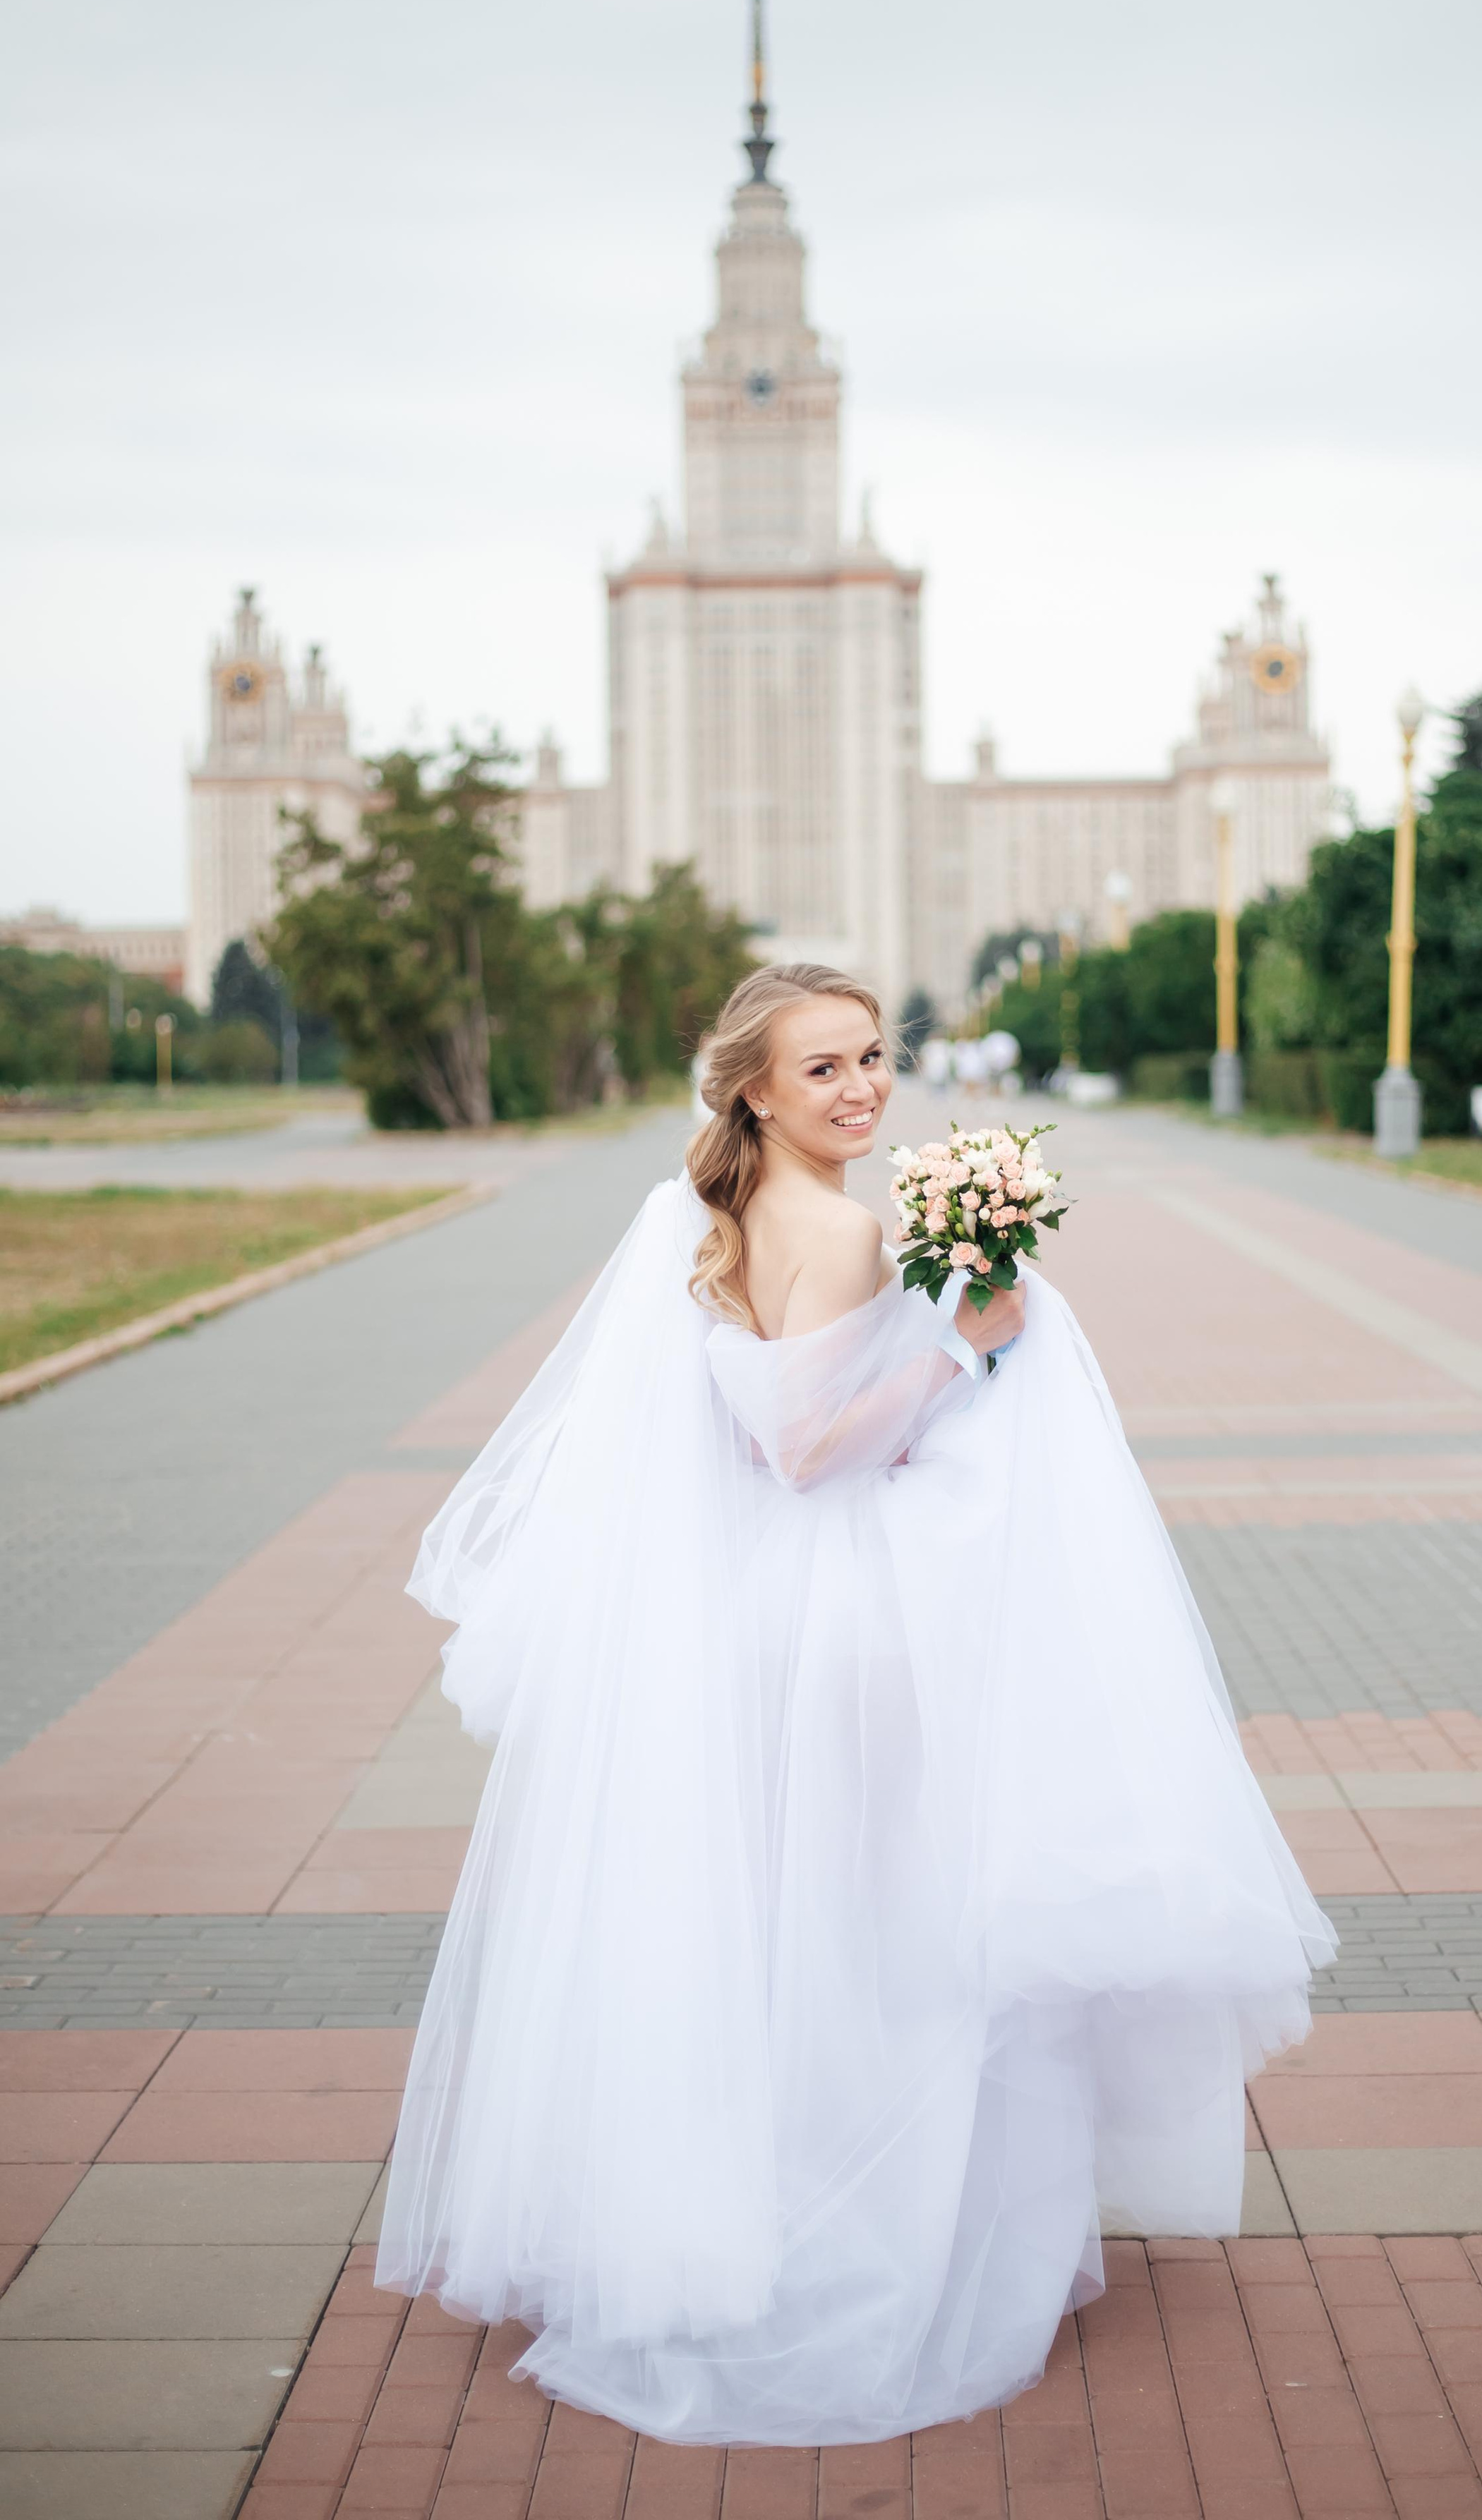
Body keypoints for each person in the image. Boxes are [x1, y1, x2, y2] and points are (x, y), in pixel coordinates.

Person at [376, 962, 1330, 2446]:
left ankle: (736, 2191)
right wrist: (965, 1342)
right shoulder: (833, 1226)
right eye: (822, 1069)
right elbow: (809, 1452)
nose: (862, 1089)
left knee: (774, 1918)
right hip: (836, 1613)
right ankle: (858, 2213)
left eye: (873, 1057)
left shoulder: (711, 1213)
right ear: (754, 1088)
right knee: (875, 1924)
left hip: (752, 1616)